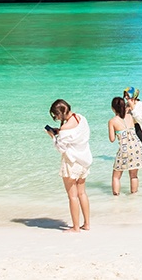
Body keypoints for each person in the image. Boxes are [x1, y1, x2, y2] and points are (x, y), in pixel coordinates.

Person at [46, 99, 92, 233]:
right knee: (82, 193)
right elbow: (77, 136)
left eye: (55, 116)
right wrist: (60, 132)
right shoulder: (81, 118)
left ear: (60, 114)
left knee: (72, 196)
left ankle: (76, 227)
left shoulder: (65, 129)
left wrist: (53, 136)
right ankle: (87, 224)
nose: (56, 118)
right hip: (84, 160)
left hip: (72, 163)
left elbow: (60, 148)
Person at [108, 96, 142, 195]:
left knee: (116, 176)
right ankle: (134, 196)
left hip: (124, 149)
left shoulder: (112, 121)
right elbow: (133, 106)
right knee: (133, 176)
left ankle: (115, 198)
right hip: (136, 147)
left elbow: (112, 139)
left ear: (113, 108)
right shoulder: (130, 115)